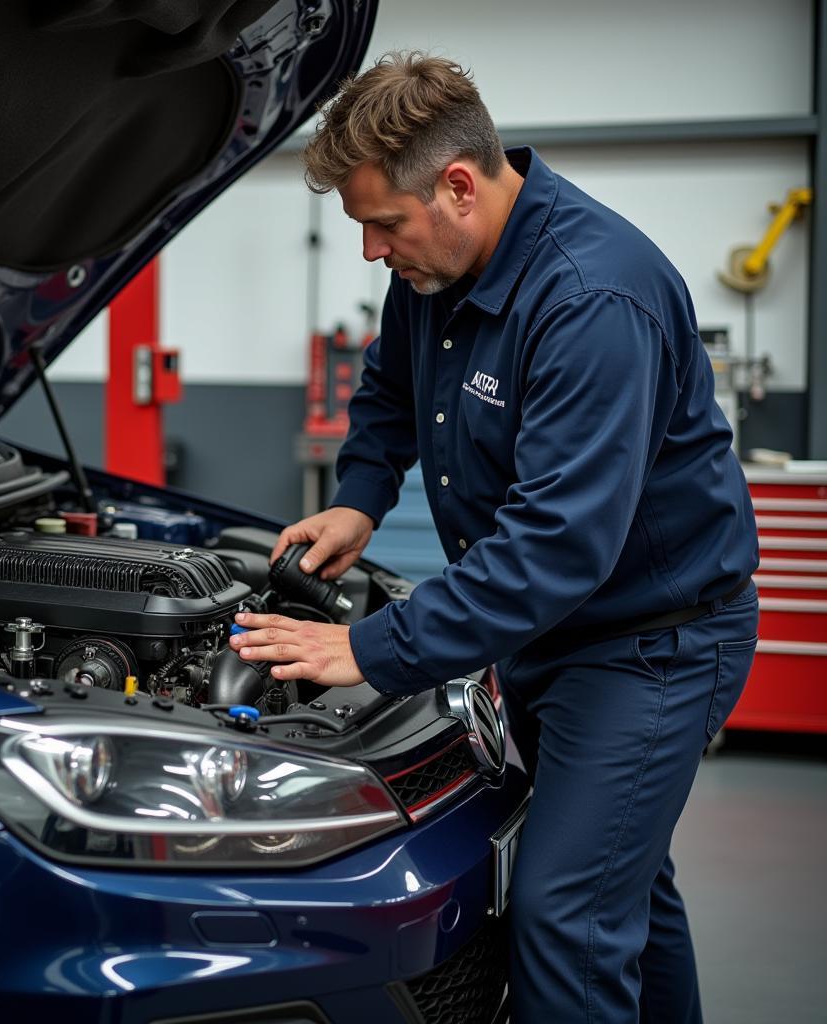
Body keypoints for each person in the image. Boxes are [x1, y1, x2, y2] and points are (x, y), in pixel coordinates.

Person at [229, 51, 759, 1023]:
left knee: (562, 912)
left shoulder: (591, 299)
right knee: (623, 890)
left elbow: (556, 545)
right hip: (552, 634)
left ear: (458, 186)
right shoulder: (432, 271)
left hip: (652, 643)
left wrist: (366, 650)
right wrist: (360, 497)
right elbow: (388, 390)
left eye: (382, 224)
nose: (370, 252)